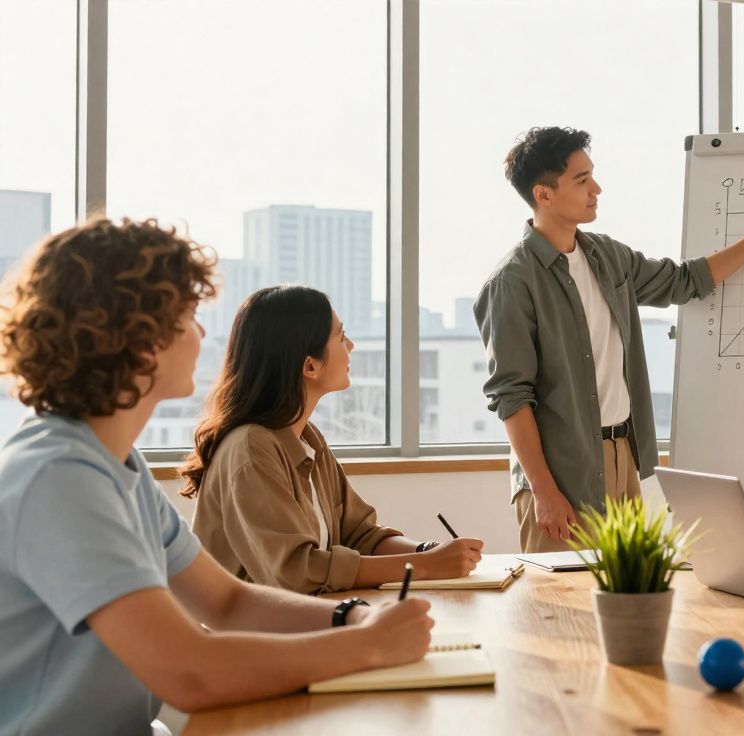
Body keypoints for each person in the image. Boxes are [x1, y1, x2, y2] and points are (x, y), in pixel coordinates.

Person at [0, 219, 433, 735]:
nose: (203, 335)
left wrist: (353, 618)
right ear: (141, 343)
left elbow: (226, 601)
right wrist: (368, 644)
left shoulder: (118, 465)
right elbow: (189, 672)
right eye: (188, 318)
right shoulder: (59, 480)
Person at [475, 126, 744, 552]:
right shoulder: (512, 283)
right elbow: (511, 398)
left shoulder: (608, 257)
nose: (597, 188)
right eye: (581, 180)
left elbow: (686, 281)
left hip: (620, 460)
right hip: (560, 477)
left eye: (592, 175)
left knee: (626, 608)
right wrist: (544, 492)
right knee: (561, 616)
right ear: (544, 194)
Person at [184, 285, 484, 594]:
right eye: (341, 337)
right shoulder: (250, 447)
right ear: (310, 365)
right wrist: (424, 566)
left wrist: (427, 551)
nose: (351, 345)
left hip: (304, 624)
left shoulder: (307, 439)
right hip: (253, 636)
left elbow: (360, 536)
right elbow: (296, 571)